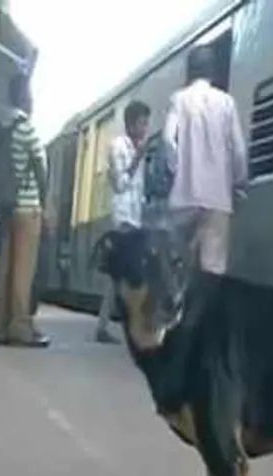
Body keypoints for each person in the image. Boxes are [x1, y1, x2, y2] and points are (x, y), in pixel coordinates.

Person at [162, 43, 248, 275]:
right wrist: (238, 185)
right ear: (212, 72)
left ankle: (180, 308)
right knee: (212, 270)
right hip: (218, 199)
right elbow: (238, 150)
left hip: (184, 199)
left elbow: (169, 140)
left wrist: (177, 173)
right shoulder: (227, 103)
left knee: (180, 267)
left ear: (190, 72)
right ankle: (202, 310)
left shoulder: (178, 100)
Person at [0, 73, 50, 348]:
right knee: (23, 271)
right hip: (27, 208)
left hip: (7, 207)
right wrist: (45, 202)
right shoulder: (26, 127)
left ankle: (2, 326)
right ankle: (21, 327)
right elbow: (40, 166)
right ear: (24, 96)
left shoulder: (1, 127)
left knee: (6, 268)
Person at [96, 99, 151, 344]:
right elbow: (120, 184)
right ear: (130, 124)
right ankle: (128, 326)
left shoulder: (136, 146)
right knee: (127, 274)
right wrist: (137, 160)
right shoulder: (118, 146)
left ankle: (104, 325)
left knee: (118, 276)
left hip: (135, 218)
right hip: (123, 220)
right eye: (142, 123)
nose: (145, 128)